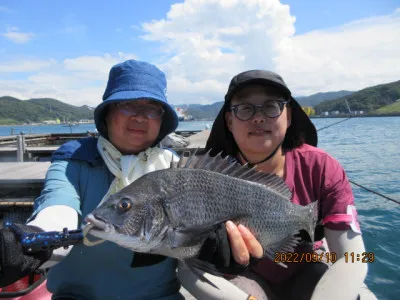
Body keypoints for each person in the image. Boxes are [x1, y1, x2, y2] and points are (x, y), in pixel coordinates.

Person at [187, 69, 369, 300]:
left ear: (289, 116)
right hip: (242, 275)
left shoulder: (322, 168)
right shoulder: (205, 178)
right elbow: (187, 263)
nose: (258, 117)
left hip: (304, 263)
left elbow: (353, 257)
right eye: (244, 108)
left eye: (271, 106)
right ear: (229, 121)